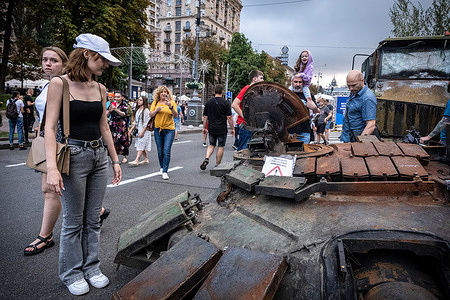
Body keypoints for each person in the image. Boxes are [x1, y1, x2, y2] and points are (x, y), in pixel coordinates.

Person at [44, 33, 122, 296]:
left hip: (98, 156)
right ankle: (71, 273)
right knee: (73, 222)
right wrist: (52, 169)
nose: (105, 66)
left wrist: (114, 159)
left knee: (93, 220)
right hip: (73, 156)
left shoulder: (99, 88)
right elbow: (49, 127)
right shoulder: (60, 84)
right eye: (102, 60)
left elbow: (104, 127)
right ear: (87, 54)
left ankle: (91, 268)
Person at [24, 46, 110, 257]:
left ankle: (45, 235)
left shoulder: (65, 84)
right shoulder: (48, 85)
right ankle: (93, 211)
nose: (47, 64)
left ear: (65, 64)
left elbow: (96, 123)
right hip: (49, 140)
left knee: (53, 190)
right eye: (44, 59)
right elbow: (47, 117)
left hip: (65, 143)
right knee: (48, 189)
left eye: (53, 60)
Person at [200, 84, 234, 170]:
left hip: (211, 127)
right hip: (222, 128)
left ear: (214, 92)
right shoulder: (226, 103)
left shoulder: (209, 102)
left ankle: (207, 158)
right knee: (221, 146)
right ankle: (217, 165)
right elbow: (229, 117)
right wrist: (232, 128)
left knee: (211, 144)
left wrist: (204, 128)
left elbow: (205, 117)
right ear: (222, 92)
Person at [231, 69, 264, 151]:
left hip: (251, 125)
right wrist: (245, 117)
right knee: (243, 150)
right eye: (261, 78)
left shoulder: (254, 91)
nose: (263, 80)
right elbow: (234, 104)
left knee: (249, 150)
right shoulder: (247, 89)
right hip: (245, 125)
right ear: (255, 79)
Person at [340, 70, 377, 143]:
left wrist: (359, 144)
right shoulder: (355, 92)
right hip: (348, 137)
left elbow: (371, 125)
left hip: (357, 138)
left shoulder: (367, 98)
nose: (350, 88)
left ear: (362, 81)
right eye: (348, 85)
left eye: (353, 85)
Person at [150, 86, 178, 180]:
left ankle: (165, 171)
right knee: (160, 151)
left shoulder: (171, 102)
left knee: (166, 151)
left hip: (169, 129)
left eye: (165, 92)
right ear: (159, 93)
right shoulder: (155, 103)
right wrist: (156, 110)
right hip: (158, 129)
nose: (163, 93)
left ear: (167, 93)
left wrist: (171, 107)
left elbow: (175, 115)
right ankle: (162, 167)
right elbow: (150, 114)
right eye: (161, 92)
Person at [287, 73, 320, 143]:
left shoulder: (308, 96)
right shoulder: (287, 95)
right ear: (291, 82)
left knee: (305, 152)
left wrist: (315, 108)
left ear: (303, 83)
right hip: (290, 132)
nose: (298, 84)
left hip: (305, 132)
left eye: (300, 82)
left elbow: (317, 114)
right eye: (295, 82)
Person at [128, 96, 151, 165]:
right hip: (139, 129)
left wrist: (142, 132)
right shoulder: (138, 110)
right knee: (142, 145)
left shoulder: (146, 111)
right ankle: (146, 159)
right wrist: (131, 130)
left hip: (145, 131)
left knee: (141, 145)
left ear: (144, 101)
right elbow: (135, 121)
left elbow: (146, 123)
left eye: (140, 100)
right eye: (138, 100)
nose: (138, 101)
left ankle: (136, 160)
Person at [108, 91, 130, 163]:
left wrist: (116, 109)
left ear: (121, 97)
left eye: (118, 97)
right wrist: (109, 111)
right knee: (114, 140)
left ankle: (125, 156)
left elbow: (124, 114)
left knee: (123, 140)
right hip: (113, 123)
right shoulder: (112, 104)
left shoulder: (124, 104)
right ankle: (115, 157)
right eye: (116, 97)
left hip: (121, 124)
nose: (117, 98)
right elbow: (108, 114)